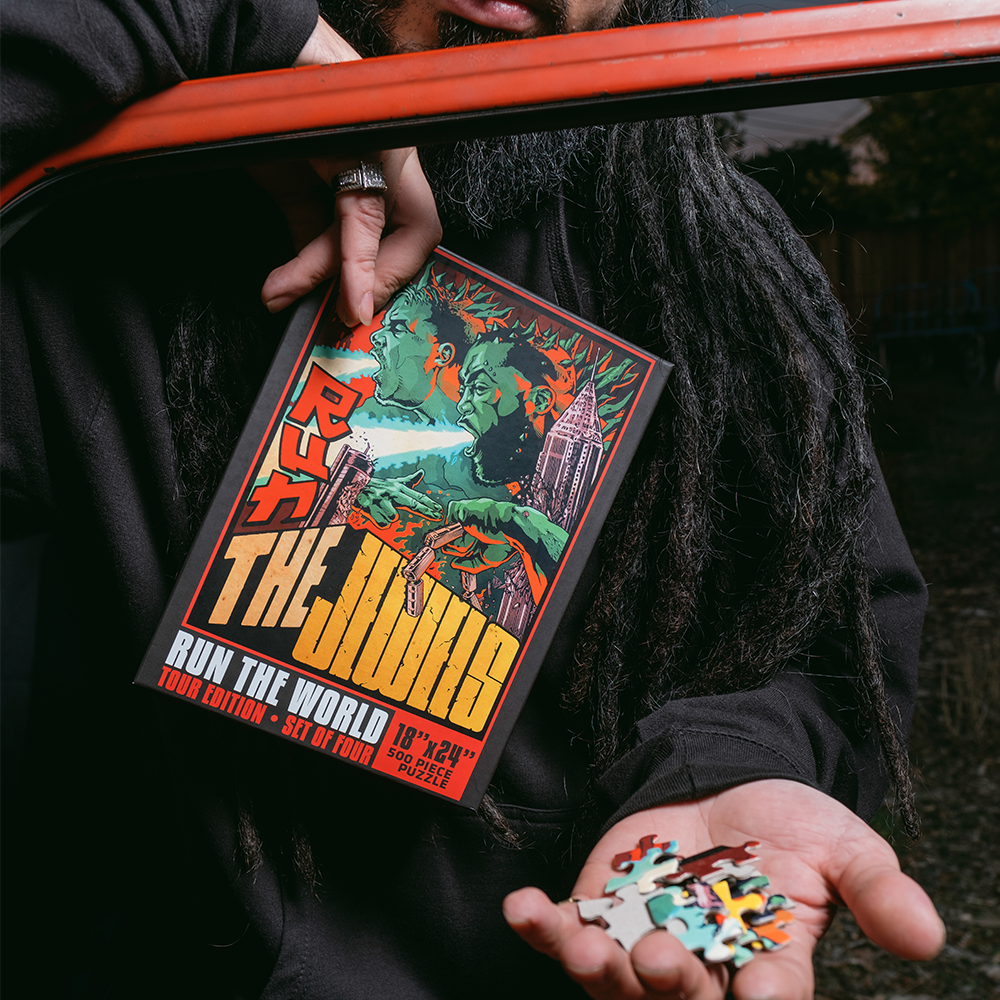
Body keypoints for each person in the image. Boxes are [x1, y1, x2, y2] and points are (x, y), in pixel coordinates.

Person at [0, 2, 944, 999]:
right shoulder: (104, 198)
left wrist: (722, 768)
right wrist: (238, 20)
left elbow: (813, 631)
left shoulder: (704, 257)